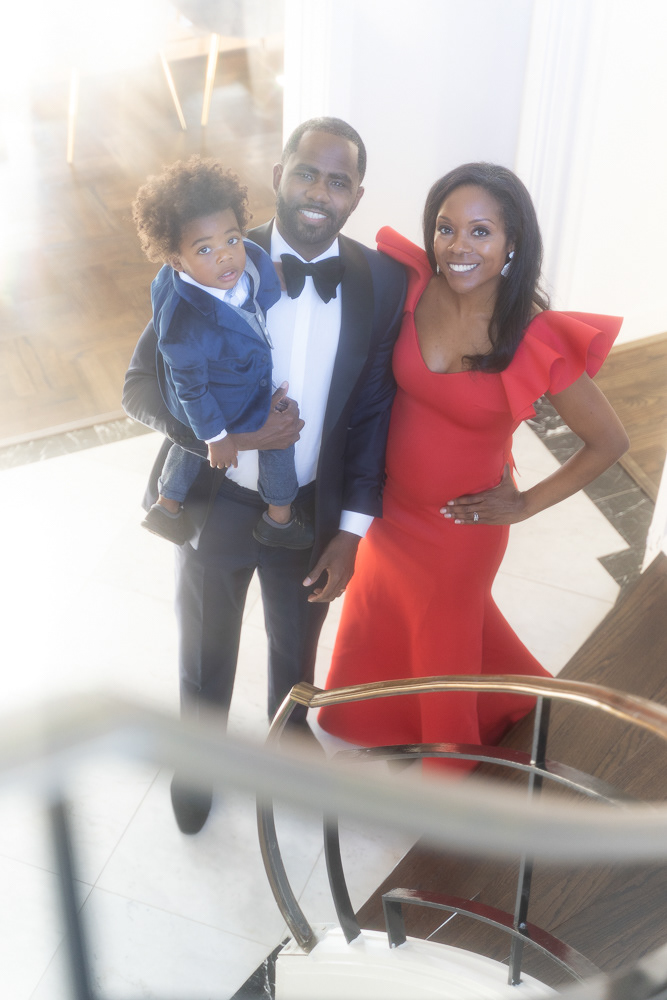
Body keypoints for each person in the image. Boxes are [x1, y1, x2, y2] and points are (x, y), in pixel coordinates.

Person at [122, 118, 407, 831]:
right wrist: (227, 440)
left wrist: (351, 531)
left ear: (356, 195)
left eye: (338, 181)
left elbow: (374, 411)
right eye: (306, 172)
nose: (319, 192)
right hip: (218, 495)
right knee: (205, 646)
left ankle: (287, 750)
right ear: (279, 176)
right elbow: (139, 388)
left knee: (295, 648)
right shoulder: (213, 254)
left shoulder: (381, 281)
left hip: (309, 507)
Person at [318, 162, 629, 771]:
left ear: (513, 243)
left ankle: (449, 764)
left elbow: (608, 441)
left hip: (461, 529)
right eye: (446, 228)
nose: (458, 246)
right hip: (389, 507)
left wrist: (525, 503)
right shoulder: (412, 286)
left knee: (442, 641)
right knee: (390, 610)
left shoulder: (533, 334)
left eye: (481, 232)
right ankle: (396, 720)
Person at [131, 155, 313, 550]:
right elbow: (192, 390)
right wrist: (217, 436)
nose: (225, 255)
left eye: (231, 239)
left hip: (227, 375)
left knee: (196, 444)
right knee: (278, 433)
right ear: (176, 261)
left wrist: (279, 280)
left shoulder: (246, 259)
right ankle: (280, 518)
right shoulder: (183, 326)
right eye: (204, 249)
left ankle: (167, 504)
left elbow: (259, 268)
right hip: (211, 394)